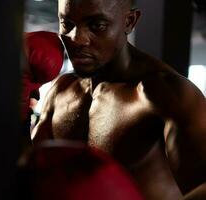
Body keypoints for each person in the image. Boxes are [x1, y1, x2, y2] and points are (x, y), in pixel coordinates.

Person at [31, 0, 206, 199]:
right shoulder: (60, 90)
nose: (76, 38)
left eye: (97, 25)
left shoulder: (164, 94)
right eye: (67, 23)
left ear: (129, 21)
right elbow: (29, 172)